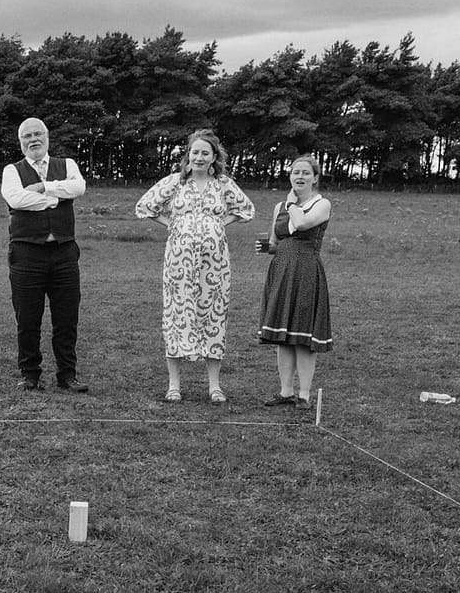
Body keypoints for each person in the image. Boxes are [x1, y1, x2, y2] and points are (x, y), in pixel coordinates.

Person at [134, 129, 255, 403]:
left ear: (214, 157)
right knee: (177, 314)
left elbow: (246, 209)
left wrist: (219, 223)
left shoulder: (223, 184)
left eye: (205, 153)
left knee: (213, 313)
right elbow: (144, 207)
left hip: (215, 264)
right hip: (178, 262)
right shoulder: (175, 182)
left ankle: (214, 386)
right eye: (195, 152)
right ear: (188, 155)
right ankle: (173, 385)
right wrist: (173, 224)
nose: (199, 157)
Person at [0, 117, 89, 392]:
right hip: (26, 254)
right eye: (27, 136)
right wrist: (57, 196)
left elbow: (78, 188)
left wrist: (43, 187)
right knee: (27, 318)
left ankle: (67, 375)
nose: (33, 139)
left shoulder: (68, 165)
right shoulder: (12, 170)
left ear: (47, 137)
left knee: (66, 318)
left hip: (63, 253)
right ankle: (29, 374)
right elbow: (16, 200)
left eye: (37, 134)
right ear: (21, 142)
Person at [256, 154, 334, 407]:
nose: (299, 177)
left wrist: (291, 205)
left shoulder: (321, 204)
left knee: (302, 337)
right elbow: (275, 244)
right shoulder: (279, 207)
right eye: (295, 172)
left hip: (306, 271)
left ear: (315, 178)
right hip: (281, 270)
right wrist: (265, 247)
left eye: (305, 173)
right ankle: (286, 391)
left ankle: (304, 395)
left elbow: (301, 224)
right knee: (283, 335)